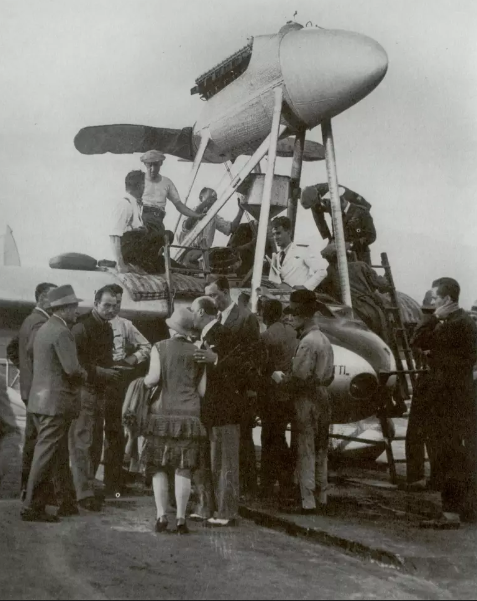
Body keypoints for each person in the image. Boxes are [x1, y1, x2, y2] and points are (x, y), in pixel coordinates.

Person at [412, 278, 477, 528]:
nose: (434, 303)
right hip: (457, 397)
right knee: (456, 454)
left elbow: (417, 340)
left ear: (447, 300)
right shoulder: (463, 323)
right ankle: (463, 509)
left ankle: (451, 512)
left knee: (448, 455)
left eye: (437, 299)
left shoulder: (454, 324)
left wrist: (434, 319)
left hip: (449, 400)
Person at [21, 285, 86, 522]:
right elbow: (72, 369)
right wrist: (84, 374)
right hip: (56, 403)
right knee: (46, 454)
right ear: (65, 308)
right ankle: (31, 507)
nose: (77, 312)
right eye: (75, 307)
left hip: (39, 401)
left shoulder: (43, 328)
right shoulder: (62, 332)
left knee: (54, 453)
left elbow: (29, 352)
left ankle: (65, 502)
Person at [142, 307, 207, 534]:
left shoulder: (159, 347)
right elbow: (202, 390)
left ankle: (161, 516)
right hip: (189, 416)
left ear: (172, 328)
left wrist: (142, 383)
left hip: (162, 414)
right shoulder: (199, 351)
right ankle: (181, 518)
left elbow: (153, 379)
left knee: (158, 466)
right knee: (184, 468)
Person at [204, 276, 261, 499]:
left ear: (227, 293)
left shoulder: (246, 319)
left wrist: (249, 390)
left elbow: (252, 357)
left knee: (243, 439)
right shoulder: (214, 318)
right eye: (208, 295)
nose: (211, 299)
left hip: (239, 390)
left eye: (214, 295)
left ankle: (248, 487)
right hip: (218, 391)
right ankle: (227, 486)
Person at [281, 290, 334, 514]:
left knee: (306, 449)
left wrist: (283, 380)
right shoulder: (324, 340)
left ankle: (307, 500)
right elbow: (330, 375)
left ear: (303, 316)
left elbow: (300, 377)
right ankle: (322, 495)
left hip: (307, 399)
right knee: (322, 448)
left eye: (294, 315)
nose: (291, 319)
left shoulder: (307, 343)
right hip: (323, 397)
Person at [190, 295, 242, 526]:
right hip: (208, 410)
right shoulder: (205, 336)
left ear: (201, 312)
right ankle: (206, 507)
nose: (191, 315)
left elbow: (242, 369)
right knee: (207, 460)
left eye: (193, 310)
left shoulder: (225, 334)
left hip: (224, 410)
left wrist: (217, 359)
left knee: (223, 462)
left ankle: (226, 512)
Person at [69, 286, 121, 509]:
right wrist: (101, 372)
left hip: (99, 391)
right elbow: (73, 363)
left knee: (95, 441)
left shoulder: (106, 327)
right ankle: (82, 493)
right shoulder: (82, 327)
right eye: (107, 305)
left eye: (116, 305)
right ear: (96, 303)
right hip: (83, 391)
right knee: (82, 442)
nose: (112, 309)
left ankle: (87, 486)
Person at [17, 282, 57, 500]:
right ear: (42, 298)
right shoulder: (41, 323)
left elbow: (14, 348)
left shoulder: (29, 320)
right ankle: (37, 494)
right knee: (43, 444)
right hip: (40, 393)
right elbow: (34, 351)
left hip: (30, 389)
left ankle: (27, 489)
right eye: (54, 297)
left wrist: (25, 373)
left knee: (34, 442)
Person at [108, 284, 151, 480]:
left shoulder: (125, 325)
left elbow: (146, 346)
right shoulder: (90, 324)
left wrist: (131, 360)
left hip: (117, 380)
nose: (114, 308)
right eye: (111, 303)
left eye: (118, 303)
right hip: (98, 379)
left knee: (117, 429)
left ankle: (114, 478)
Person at [402, 289, 440, 492]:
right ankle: (429, 476)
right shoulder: (435, 325)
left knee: (420, 432)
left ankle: (419, 476)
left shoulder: (430, 326)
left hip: (430, 383)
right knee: (430, 434)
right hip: (429, 381)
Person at [258, 299, 297, 499]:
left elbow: (261, 365)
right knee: (281, 436)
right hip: (289, 392)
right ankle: (286, 481)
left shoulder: (265, 336)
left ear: (266, 314)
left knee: (270, 438)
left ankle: (268, 483)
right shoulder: (293, 333)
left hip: (271, 394)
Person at [318, 242, 390, 341]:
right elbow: (383, 285)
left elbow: (323, 292)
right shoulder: (360, 266)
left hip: (349, 312)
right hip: (371, 308)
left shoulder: (329, 272)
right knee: (380, 340)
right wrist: (386, 277)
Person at [301, 184, 376, 264]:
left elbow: (370, 235)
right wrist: (330, 241)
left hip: (360, 254)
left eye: (330, 203)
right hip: (346, 256)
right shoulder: (313, 200)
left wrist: (351, 243)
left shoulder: (338, 191)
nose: (329, 206)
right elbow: (320, 222)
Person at [179, 189, 245, 268]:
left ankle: (203, 266)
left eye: (215, 199)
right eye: (211, 198)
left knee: (232, 255)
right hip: (188, 252)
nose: (213, 201)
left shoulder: (213, 216)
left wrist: (241, 210)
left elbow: (231, 228)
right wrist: (206, 203)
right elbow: (187, 225)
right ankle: (198, 265)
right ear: (201, 198)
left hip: (204, 252)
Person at [140, 150, 203, 230]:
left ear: (161, 163)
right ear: (145, 164)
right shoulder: (140, 180)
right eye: (149, 165)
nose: (152, 169)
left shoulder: (167, 183)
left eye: (155, 165)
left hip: (157, 221)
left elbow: (179, 205)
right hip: (141, 220)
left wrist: (196, 215)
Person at [269, 216, 326, 290]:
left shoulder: (303, 250)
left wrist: (305, 287)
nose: (275, 237)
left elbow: (322, 271)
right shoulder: (277, 256)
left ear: (289, 232)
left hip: (299, 298)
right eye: (274, 234)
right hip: (281, 298)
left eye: (278, 233)